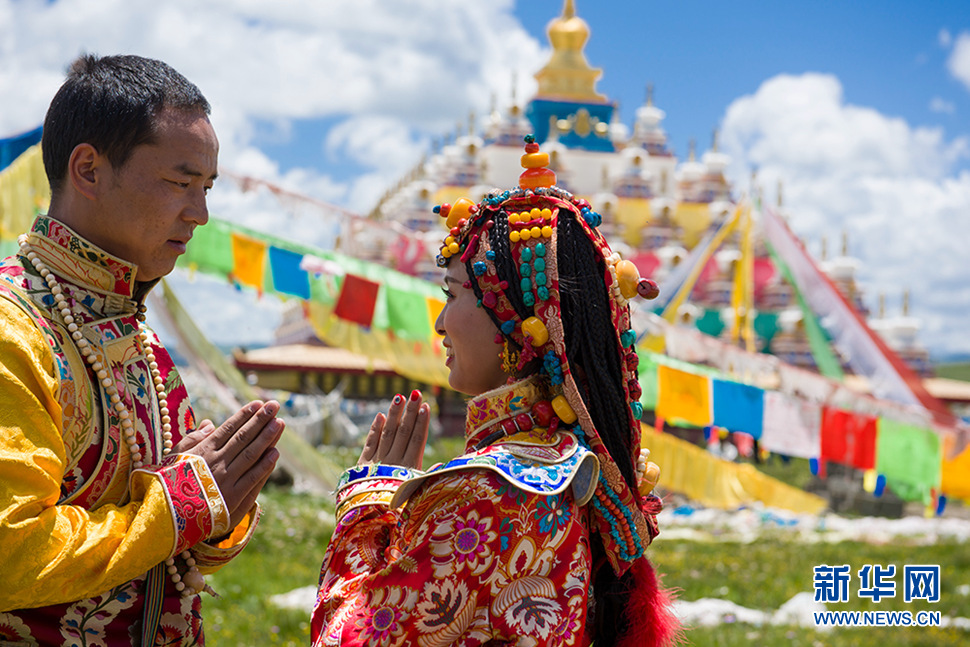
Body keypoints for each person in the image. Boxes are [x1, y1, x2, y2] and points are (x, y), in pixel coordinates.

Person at [311, 136, 681, 646]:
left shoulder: (490, 494)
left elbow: (348, 638)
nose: (440, 323)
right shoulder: (568, 471)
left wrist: (367, 506)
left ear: (512, 319)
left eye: (454, 294)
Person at [0, 54, 285, 645]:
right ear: (88, 170)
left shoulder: (135, 333)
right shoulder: (14, 328)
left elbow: (177, 556)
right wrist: (187, 500)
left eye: (205, 189)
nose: (200, 215)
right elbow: (11, 552)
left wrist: (219, 501)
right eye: (181, 183)